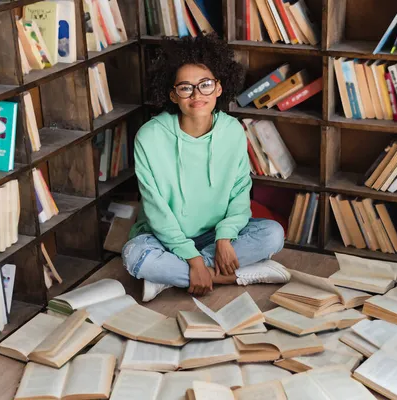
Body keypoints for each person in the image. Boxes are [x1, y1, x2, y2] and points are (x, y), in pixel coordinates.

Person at [122, 34, 290, 302]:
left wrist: (224, 238)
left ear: (220, 88)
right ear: (173, 95)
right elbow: (155, 209)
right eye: (186, 88)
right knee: (134, 256)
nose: (197, 94)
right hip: (165, 238)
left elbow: (239, 192)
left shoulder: (233, 131)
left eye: (205, 85)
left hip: (217, 235)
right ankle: (231, 275)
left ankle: (170, 280)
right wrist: (193, 259)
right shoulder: (149, 137)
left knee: (273, 234)